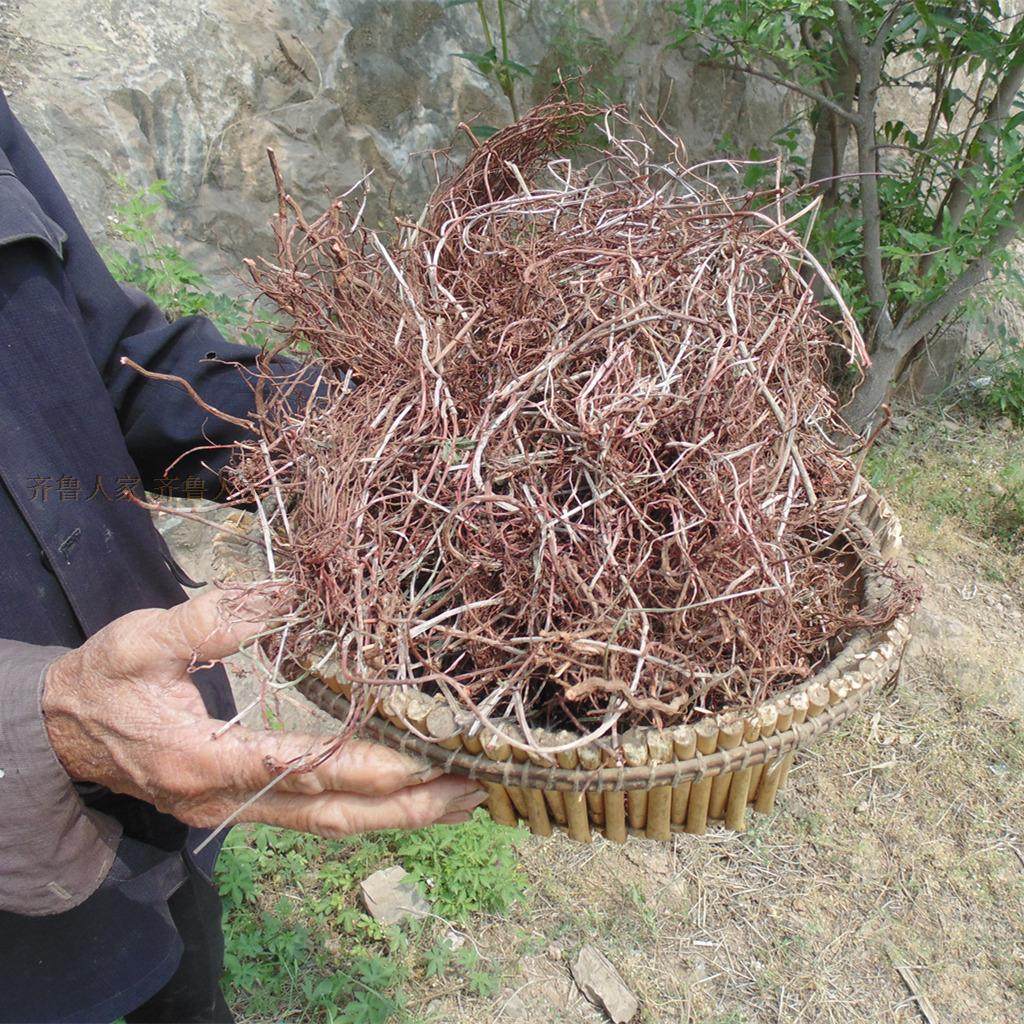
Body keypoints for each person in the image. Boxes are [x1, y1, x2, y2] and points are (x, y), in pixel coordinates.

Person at [0, 88, 486, 1024]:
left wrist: (367, 435)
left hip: (165, 777)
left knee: (188, 989)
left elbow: (116, 358)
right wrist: (42, 717)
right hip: (17, 905)